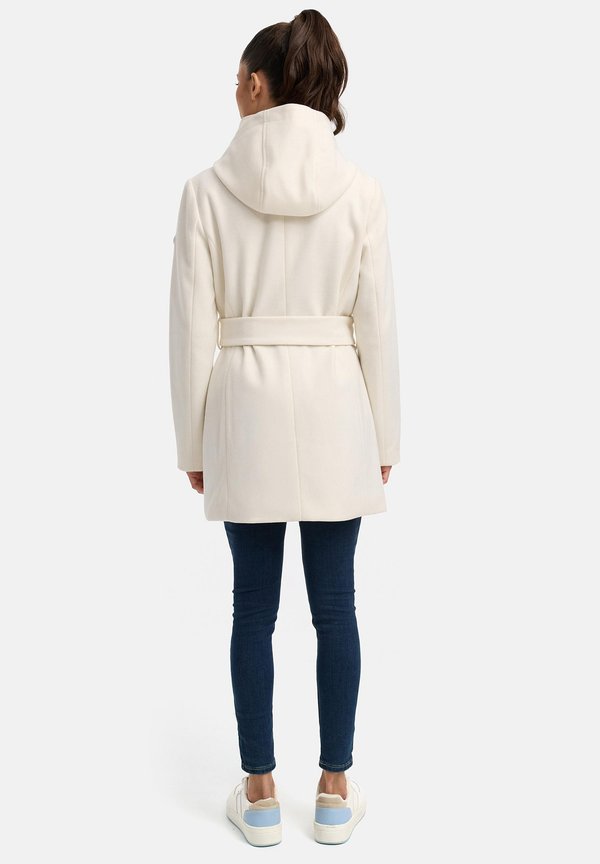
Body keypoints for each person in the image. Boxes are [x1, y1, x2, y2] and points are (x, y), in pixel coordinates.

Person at [168, 9, 400, 847]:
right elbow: (377, 327)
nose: (233, 89)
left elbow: (190, 329)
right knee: (336, 606)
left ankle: (260, 795)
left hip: (244, 409)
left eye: (238, 78)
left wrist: (194, 443)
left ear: (260, 85)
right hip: (339, 407)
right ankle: (334, 792)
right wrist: (386, 440)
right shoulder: (360, 191)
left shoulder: (205, 192)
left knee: (251, 608)